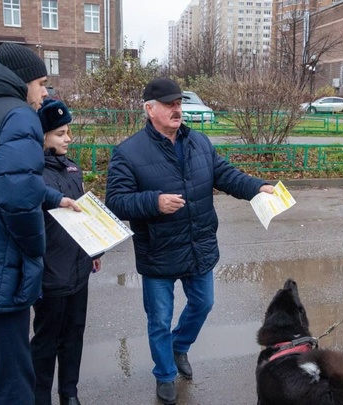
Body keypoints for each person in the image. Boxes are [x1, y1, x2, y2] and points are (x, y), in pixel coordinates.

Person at [105, 77, 274, 405]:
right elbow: (116, 200)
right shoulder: (128, 152)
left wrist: (257, 186)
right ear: (149, 109)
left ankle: (179, 346)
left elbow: (225, 175)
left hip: (198, 244)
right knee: (158, 319)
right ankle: (165, 374)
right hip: (158, 249)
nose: (176, 109)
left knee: (203, 303)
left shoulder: (199, 142)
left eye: (179, 103)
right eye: (169, 104)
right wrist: (154, 203)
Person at [0, 43, 78, 404]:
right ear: (22, 81)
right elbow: (17, 198)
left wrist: (55, 197)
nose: (44, 92)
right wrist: (34, 254)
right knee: (14, 379)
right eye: (41, 83)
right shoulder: (18, 116)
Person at [31, 98, 102, 405]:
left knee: (74, 335)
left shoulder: (72, 168)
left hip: (78, 268)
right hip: (51, 271)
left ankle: (69, 392)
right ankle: (40, 395)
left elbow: (82, 212)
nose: (68, 138)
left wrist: (95, 248)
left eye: (69, 131)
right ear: (43, 136)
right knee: (47, 340)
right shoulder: (33, 173)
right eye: (61, 133)